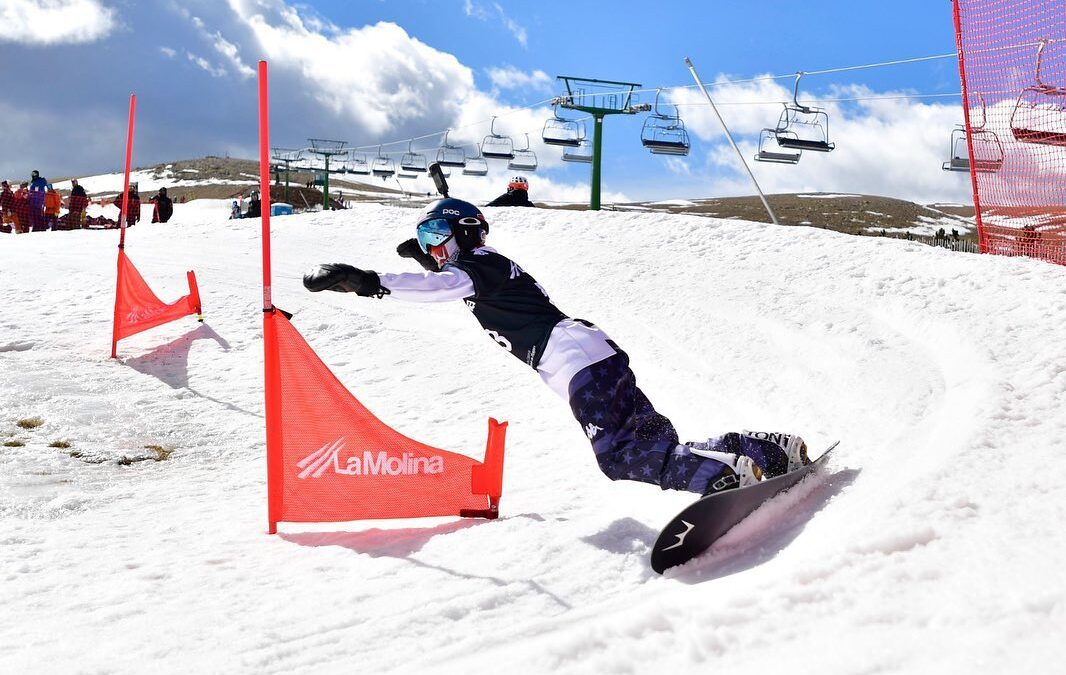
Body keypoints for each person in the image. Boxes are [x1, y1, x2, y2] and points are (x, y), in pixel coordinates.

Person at [301, 197, 810, 498]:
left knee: (617, 457)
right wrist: (426, 258)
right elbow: (448, 276)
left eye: (435, 233)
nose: (430, 245)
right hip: (590, 355)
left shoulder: (481, 265)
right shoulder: (484, 265)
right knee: (653, 445)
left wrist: (368, 281)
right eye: (423, 236)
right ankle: (765, 450)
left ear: (463, 231)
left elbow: (444, 285)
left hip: (577, 364)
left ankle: (722, 476)